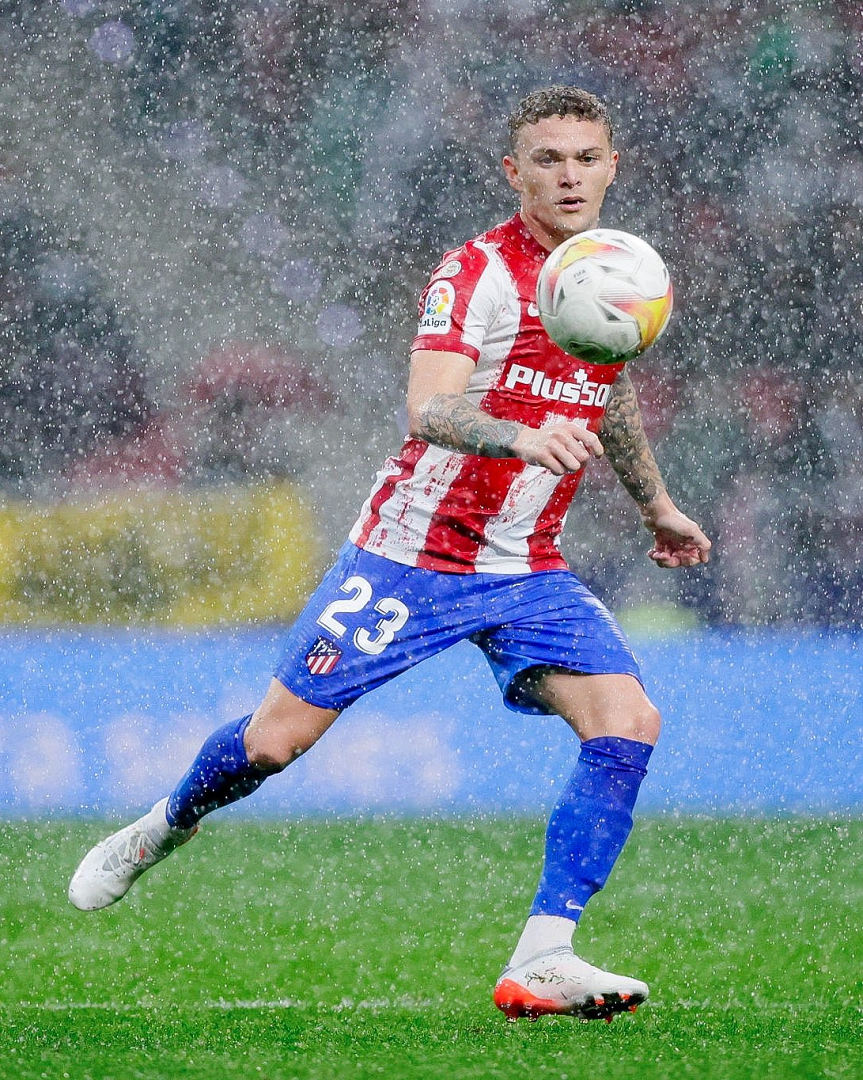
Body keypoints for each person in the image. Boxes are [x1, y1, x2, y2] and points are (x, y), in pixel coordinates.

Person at [69, 86, 711, 1024]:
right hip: (411, 554)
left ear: (612, 165)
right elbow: (429, 409)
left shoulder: (617, 269)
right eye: (547, 159)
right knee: (272, 745)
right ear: (514, 172)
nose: (568, 176)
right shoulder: (476, 272)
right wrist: (518, 435)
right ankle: (163, 827)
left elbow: (606, 387)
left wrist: (656, 506)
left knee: (628, 722)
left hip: (525, 565)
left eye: (585, 158)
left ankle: (544, 954)